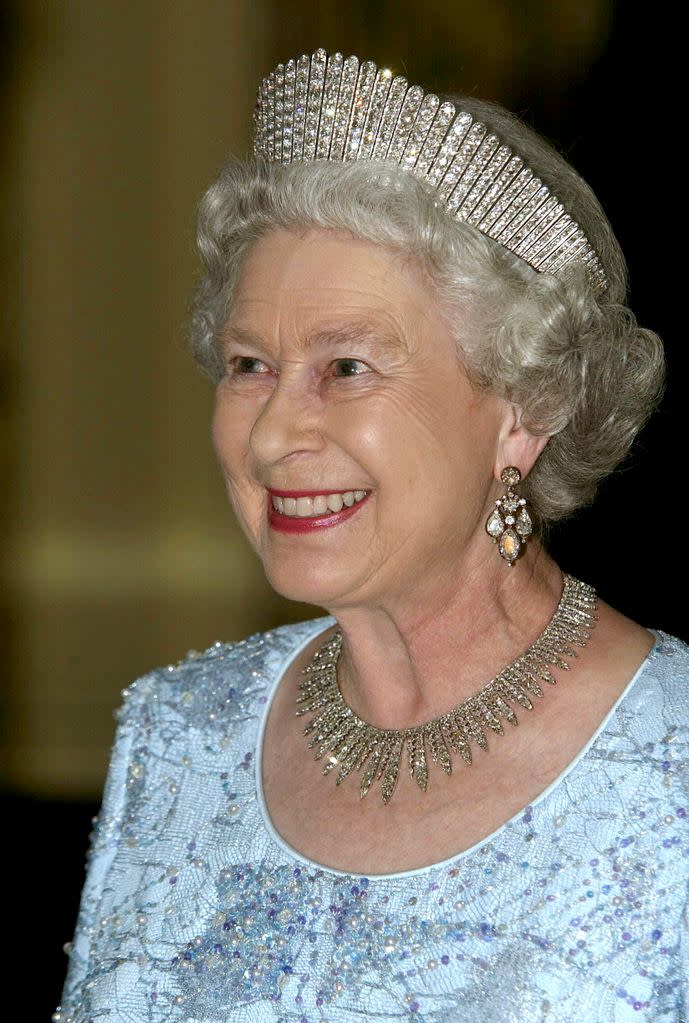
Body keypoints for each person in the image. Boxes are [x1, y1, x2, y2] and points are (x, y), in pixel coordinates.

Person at [55, 48, 687, 1023]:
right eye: (249, 365)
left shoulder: (669, 770)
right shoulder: (175, 736)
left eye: (345, 367)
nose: (269, 435)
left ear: (522, 408)